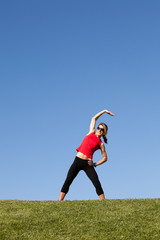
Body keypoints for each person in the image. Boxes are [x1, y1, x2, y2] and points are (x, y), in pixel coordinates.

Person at [58, 109, 115, 201]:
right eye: (99, 128)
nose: (99, 130)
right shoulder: (91, 132)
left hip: (87, 164)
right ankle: (59, 201)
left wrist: (95, 164)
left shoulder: (101, 144)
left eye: (102, 130)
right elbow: (94, 118)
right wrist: (104, 111)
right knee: (68, 180)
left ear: (104, 132)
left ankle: (104, 202)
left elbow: (105, 158)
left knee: (96, 182)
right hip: (77, 160)